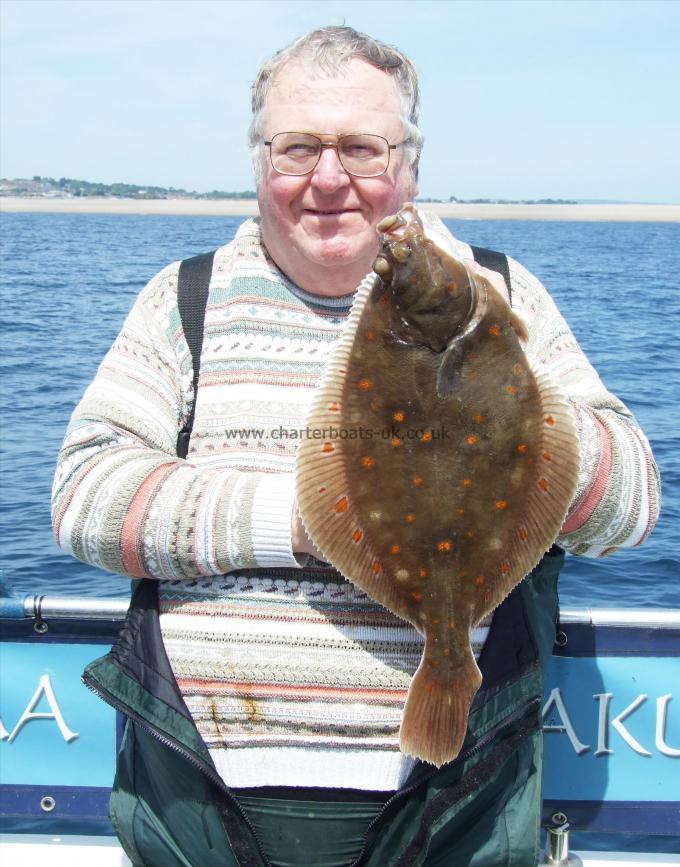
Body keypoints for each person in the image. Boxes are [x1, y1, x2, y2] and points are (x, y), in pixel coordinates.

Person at [52, 25, 660, 867]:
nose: (330, 179)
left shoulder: (506, 295)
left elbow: (631, 508)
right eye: (298, 146)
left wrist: (519, 424)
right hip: (199, 808)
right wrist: (315, 520)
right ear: (258, 158)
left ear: (409, 163)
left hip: (455, 808)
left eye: (363, 149)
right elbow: (83, 497)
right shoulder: (182, 300)